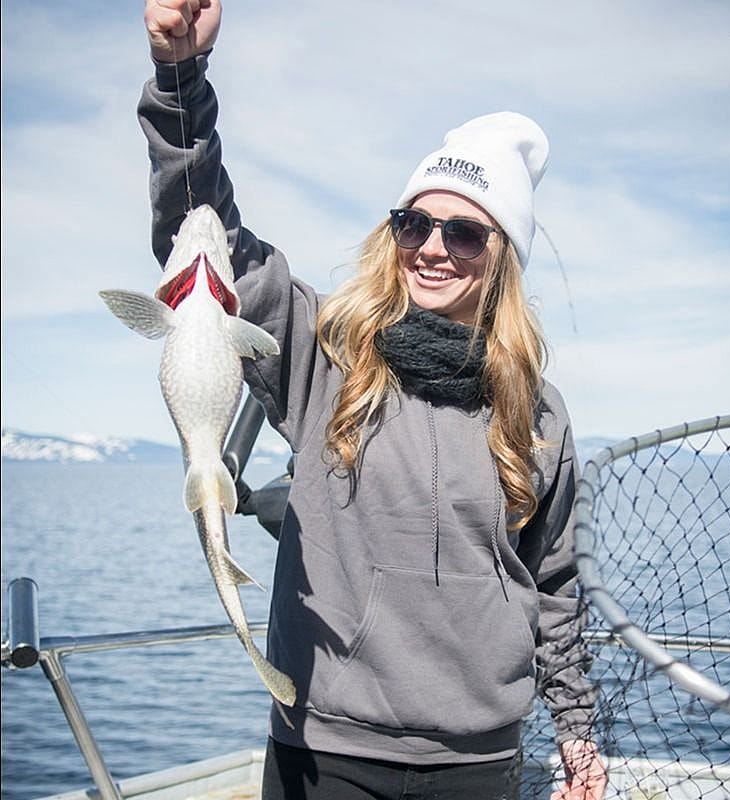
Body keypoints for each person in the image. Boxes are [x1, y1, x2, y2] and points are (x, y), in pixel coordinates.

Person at [141, 2, 607, 798]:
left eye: (464, 234)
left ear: (502, 257)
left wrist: (576, 732)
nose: (433, 246)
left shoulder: (542, 413)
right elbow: (203, 230)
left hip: (478, 760)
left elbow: (554, 585)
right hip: (325, 745)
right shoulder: (324, 353)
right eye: (413, 223)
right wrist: (181, 76)